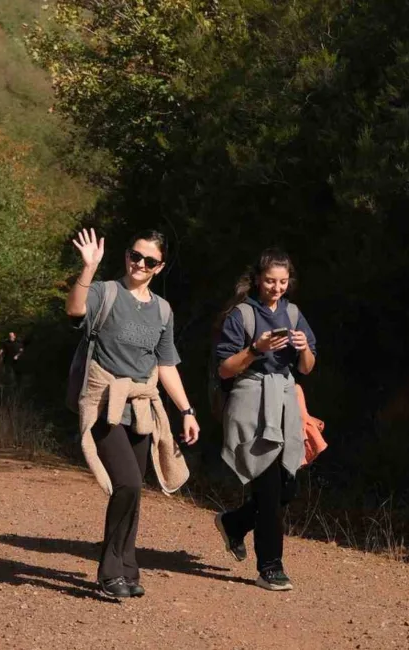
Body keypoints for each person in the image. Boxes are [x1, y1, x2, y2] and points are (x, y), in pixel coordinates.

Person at [65, 228, 200, 599]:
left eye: (149, 260)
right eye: (135, 256)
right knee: (128, 483)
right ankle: (109, 572)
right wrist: (88, 268)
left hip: (141, 407)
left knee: (135, 491)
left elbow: (166, 364)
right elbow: (74, 310)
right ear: (126, 255)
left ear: (160, 267)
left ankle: (127, 566)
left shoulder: (162, 310)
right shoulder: (105, 292)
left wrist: (186, 410)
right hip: (103, 403)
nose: (140, 264)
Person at [213, 248, 317, 591]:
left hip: (285, 402)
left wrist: (303, 347)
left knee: (288, 485)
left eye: (283, 282)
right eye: (270, 280)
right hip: (251, 403)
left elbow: (306, 368)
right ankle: (270, 567)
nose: (277, 287)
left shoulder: (294, 313)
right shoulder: (241, 315)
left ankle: (234, 523)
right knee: (269, 486)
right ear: (258, 279)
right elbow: (225, 369)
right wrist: (256, 349)